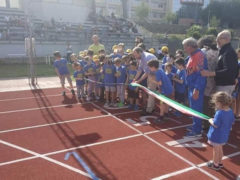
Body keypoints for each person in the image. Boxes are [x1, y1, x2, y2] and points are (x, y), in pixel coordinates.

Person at [183, 37, 208, 137]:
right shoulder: (191, 56)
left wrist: (197, 89)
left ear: (190, 46)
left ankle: (197, 130)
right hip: (191, 86)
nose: (184, 49)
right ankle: (195, 126)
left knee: (196, 109)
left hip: (196, 87)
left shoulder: (199, 55)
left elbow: (201, 74)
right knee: (193, 108)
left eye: (185, 47)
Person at [201, 30, 239, 95]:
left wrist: (210, 73)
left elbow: (229, 70)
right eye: (217, 38)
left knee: (222, 104)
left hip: (225, 86)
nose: (217, 41)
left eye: (219, 38)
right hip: (224, 85)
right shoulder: (225, 51)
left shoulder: (228, 52)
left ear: (226, 39)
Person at [207, 91, 234, 171]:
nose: (216, 105)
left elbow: (215, 124)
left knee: (216, 150)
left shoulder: (219, 113)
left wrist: (210, 120)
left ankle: (215, 164)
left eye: (216, 103)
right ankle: (220, 162)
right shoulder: (230, 111)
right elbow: (232, 121)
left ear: (220, 103)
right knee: (220, 148)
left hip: (217, 135)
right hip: (224, 135)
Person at [198, 35, 219, 131]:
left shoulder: (204, 52)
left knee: (205, 103)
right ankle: (214, 121)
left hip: (206, 80)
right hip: (217, 80)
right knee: (214, 103)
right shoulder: (218, 51)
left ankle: (205, 124)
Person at [132, 47, 158, 115]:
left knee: (151, 93)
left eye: (135, 55)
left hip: (154, 75)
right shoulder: (141, 58)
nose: (135, 57)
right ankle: (151, 108)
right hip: (150, 75)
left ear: (139, 52)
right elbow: (140, 70)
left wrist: (139, 81)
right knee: (150, 92)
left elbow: (146, 73)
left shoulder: (147, 58)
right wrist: (134, 79)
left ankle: (149, 110)